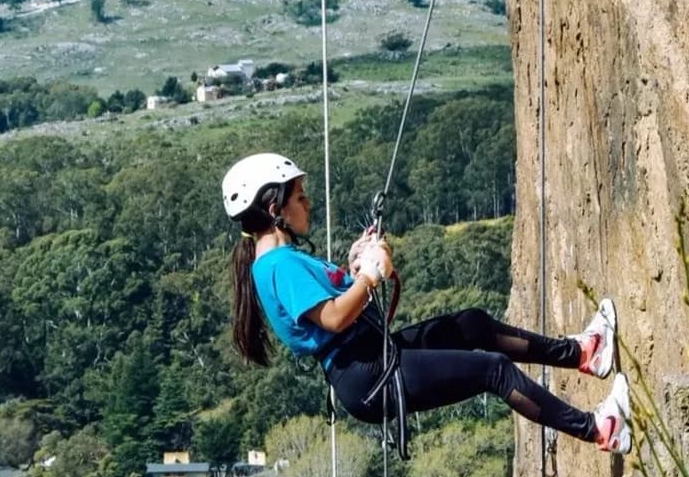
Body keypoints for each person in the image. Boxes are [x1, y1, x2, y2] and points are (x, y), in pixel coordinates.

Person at [222, 152, 632, 453]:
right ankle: (599, 429)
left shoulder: (283, 261)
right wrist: (370, 275)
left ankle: (583, 353)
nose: (307, 203)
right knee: (493, 371)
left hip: (370, 359)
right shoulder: (277, 266)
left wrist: (354, 264)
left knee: (471, 325)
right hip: (366, 373)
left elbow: (332, 303)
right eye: (299, 196)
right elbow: (332, 317)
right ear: (274, 207)